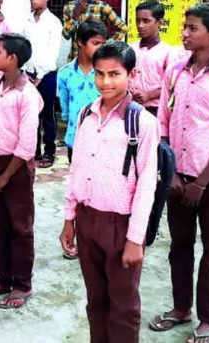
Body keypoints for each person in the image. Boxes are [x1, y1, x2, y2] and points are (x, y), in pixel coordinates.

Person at [150, 3, 209, 343]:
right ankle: (180, 308)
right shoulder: (175, 73)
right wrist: (170, 172)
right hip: (177, 177)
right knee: (179, 245)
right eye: (185, 27)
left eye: (193, 28)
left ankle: (208, 319)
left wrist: (202, 183)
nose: (185, 33)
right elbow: (161, 124)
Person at [60, 40, 159, 342]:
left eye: (114, 74)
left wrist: (135, 240)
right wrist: (69, 218)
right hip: (88, 219)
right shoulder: (85, 116)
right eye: (100, 74)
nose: (106, 82)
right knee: (96, 301)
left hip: (121, 226)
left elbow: (146, 185)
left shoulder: (142, 122)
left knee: (123, 306)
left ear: (132, 74)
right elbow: (76, 169)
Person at [0, 33, 43, 309]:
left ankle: (22, 284)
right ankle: (2, 277)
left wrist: (5, 175)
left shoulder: (28, 95)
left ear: (12, 59)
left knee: (20, 227)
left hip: (15, 168)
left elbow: (27, 143)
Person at [23, 0, 63, 168]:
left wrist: (40, 75)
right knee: (31, 114)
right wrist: (24, 71)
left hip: (46, 74)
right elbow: (25, 48)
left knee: (47, 113)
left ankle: (49, 151)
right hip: (28, 73)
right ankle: (34, 150)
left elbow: (52, 52)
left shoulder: (53, 22)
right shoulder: (28, 21)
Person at [57, 21, 108, 164]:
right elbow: (65, 109)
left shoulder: (107, 73)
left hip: (102, 140)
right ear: (80, 42)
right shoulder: (65, 73)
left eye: (103, 44)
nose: (100, 48)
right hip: (75, 138)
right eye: (96, 43)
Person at [129, 0, 180, 116]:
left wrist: (149, 94)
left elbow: (174, 85)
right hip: (130, 107)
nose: (140, 25)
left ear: (159, 22)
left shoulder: (168, 53)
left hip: (156, 110)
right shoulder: (130, 49)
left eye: (146, 21)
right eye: (138, 20)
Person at [62, 0, 127, 60]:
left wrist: (107, 45)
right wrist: (75, 16)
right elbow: (66, 35)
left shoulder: (103, 7)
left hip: (97, 59)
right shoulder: (69, 6)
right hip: (75, 58)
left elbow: (123, 27)